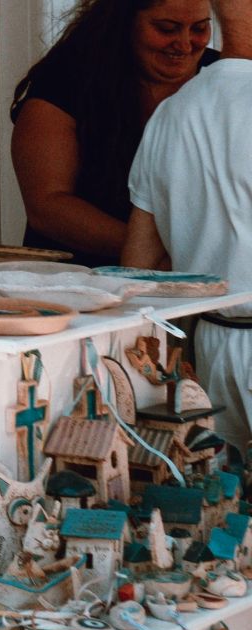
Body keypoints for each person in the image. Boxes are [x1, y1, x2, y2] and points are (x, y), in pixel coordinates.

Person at [124, 0, 252, 446]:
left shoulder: (172, 113)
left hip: (214, 346)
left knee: (225, 500)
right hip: (219, 335)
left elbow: (140, 264)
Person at [11, 0, 217, 264]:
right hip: (78, 280)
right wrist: (154, 255)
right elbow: (47, 205)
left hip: (202, 282)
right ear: (124, 22)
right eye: (167, 29)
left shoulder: (225, 79)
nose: (185, 44)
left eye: (199, 29)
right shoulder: (68, 78)